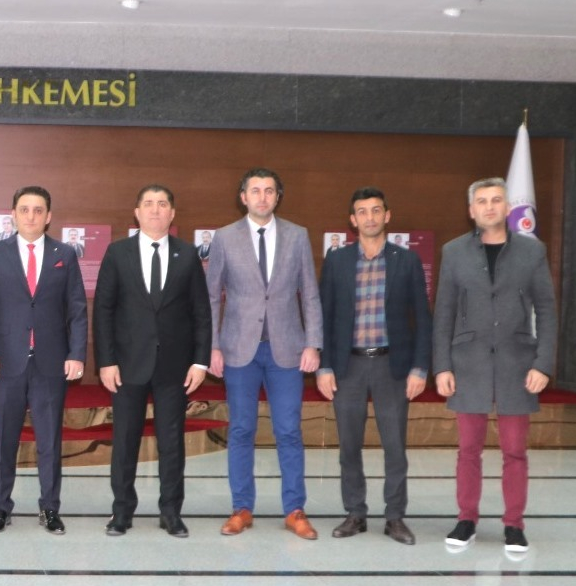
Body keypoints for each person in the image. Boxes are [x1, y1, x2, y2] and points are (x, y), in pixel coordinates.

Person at [434, 177, 556, 554]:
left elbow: (547, 309)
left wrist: (543, 363)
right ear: (471, 209)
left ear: (507, 207)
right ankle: (466, 519)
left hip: (517, 364)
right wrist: (442, 366)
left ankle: (514, 524)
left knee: (515, 450)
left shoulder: (532, 251)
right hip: (467, 363)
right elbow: (444, 313)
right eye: (482, 201)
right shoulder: (454, 252)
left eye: (496, 200)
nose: (489, 207)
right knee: (468, 449)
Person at [206, 167, 323, 540]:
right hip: (238, 349)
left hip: (287, 350)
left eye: (269, 190)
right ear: (243, 197)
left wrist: (313, 342)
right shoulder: (224, 237)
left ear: (277, 196)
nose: (262, 197)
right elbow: (211, 296)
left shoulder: (297, 235)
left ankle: (295, 510)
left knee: (289, 430)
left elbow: (310, 293)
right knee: (241, 429)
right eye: (254, 190)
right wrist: (212, 346)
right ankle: (241, 508)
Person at [317, 187, 432, 545]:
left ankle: (395, 517)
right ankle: (355, 513)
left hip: (391, 367)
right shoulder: (337, 260)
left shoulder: (406, 261)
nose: (370, 217)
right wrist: (324, 366)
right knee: (349, 447)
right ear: (352, 220)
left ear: (387, 215)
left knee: (395, 447)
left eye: (376, 210)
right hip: (347, 366)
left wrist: (420, 368)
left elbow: (422, 318)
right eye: (362, 212)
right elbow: (324, 316)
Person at [94, 185, 210, 538]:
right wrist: (106, 361)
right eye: (148, 204)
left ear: (172, 213)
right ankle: (121, 512)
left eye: (162, 204)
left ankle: (171, 512)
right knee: (124, 440)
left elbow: (201, 312)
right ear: (137, 212)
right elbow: (103, 310)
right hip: (127, 365)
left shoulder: (187, 255)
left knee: (171, 442)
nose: (155, 210)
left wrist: (200, 362)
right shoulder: (118, 253)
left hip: (175, 367)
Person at [0, 186, 87, 535]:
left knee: (49, 441)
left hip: (51, 363)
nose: (31, 216)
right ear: (13, 214)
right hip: (6, 362)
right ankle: (0, 507)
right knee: (4, 440)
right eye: (24, 209)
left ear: (48, 216)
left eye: (38, 210)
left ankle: (50, 508)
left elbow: (77, 309)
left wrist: (76, 354)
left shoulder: (64, 254)